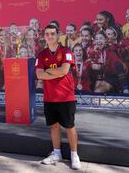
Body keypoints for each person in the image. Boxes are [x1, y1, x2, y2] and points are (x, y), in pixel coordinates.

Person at [35, 24, 81, 170]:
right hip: (49, 97)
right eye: (47, 34)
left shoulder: (66, 51)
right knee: (54, 126)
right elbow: (39, 74)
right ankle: (57, 153)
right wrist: (55, 72)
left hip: (66, 96)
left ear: (58, 34)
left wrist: (48, 71)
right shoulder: (42, 54)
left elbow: (64, 70)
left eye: (52, 34)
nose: (49, 36)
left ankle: (74, 155)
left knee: (69, 126)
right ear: (44, 36)